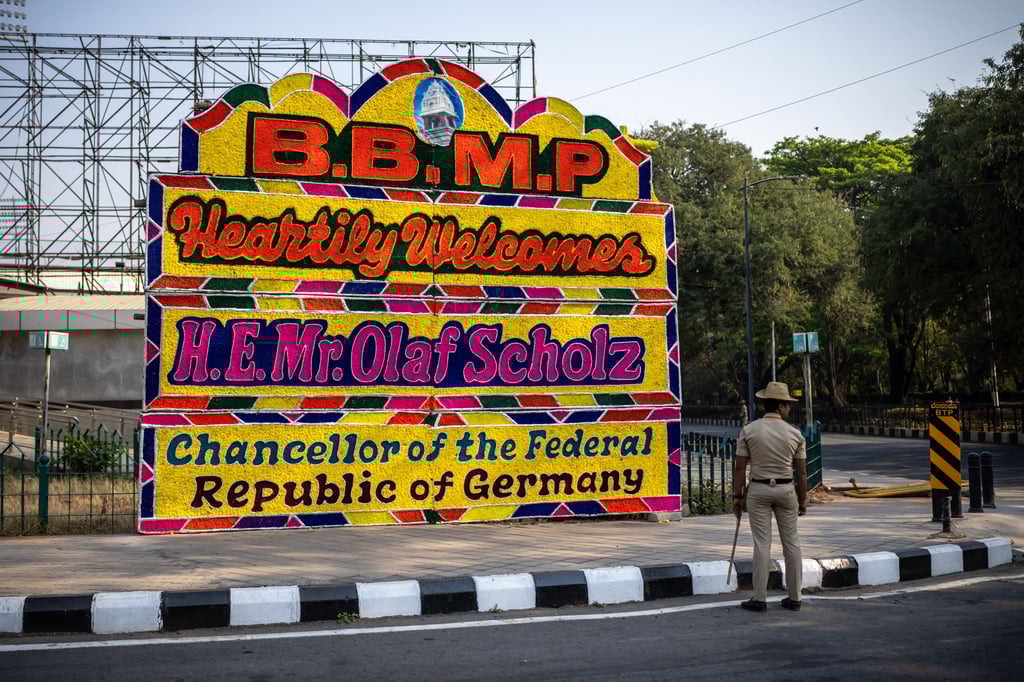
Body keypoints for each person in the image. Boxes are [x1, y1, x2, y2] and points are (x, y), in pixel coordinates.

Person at [731, 381, 808, 612]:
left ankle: (760, 598)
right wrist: (802, 501)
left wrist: (737, 497)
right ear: (782, 406)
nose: (789, 409)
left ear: (765, 404)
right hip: (786, 491)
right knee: (792, 543)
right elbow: (802, 472)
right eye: (788, 405)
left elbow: (740, 468)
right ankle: (795, 597)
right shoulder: (795, 433)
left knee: (762, 544)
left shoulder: (749, 430)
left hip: (758, 490)